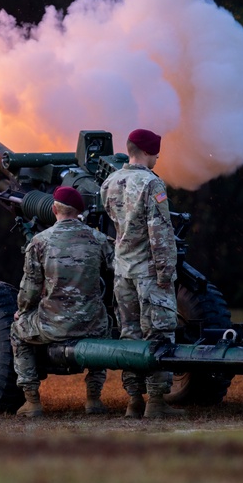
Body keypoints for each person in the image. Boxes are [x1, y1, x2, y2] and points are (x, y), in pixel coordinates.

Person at [100, 129, 183, 419]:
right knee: (159, 334)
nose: (158, 157)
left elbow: (113, 222)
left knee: (130, 335)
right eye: (156, 153)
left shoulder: (109, 182)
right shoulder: (151, 183)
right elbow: (159, 231)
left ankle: (134, 400)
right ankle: (157, 401)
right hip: (150, 273)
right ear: (147, 152)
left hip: (123, 272)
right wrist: (165, 271)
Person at [10, 186, 113, 417]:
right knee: (104, 327)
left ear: (54, 208)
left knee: (17, 331)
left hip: (52, 325)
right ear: (79, 211)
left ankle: (32, 401)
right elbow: (118, 270)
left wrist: (23, 311)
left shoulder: (39, 241)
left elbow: (30, 289)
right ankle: (93, 399)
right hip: (92, 324)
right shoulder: (98, 239)